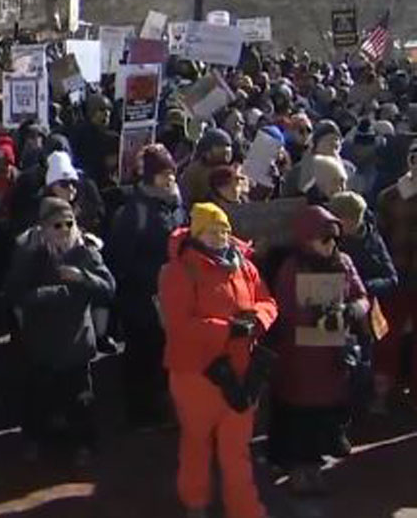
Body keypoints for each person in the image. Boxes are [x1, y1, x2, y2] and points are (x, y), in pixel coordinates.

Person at [159, 203, 277, 518]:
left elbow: (267, 300)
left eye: (225, 229)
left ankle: (246, 511)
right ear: (197, 233)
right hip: (197, 375)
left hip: (240, 371)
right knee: (197, 444)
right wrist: (230, 330)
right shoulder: (179, 270)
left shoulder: (243, 264)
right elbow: (179, 324)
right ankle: (196, 503)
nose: (221, 236)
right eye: (213, 230)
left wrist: (259, 320)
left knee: (236, 452)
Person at [266, 205, 369, 494]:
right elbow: (284, 310)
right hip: (299, 357)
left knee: (324, 412)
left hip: (332, 355)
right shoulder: (292, 267)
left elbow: (362, 296)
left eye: (335, 238)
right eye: (325, 239)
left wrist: (352, 310)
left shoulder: (344, 263)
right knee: (299, 414)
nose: (332, 244)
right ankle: (299, 468)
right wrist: (318, 314)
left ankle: (315, 461)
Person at [5, 197, 114, 464]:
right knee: (38, 399)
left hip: (76, 343)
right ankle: (36, 441)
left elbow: (109, 287)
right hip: (41, 343)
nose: (65, 230)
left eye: (69, 223)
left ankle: (84, 445)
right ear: (43, 228)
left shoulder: (86, 252)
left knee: (81, 401)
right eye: (57, 225)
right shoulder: (30, 255)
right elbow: (14, 294)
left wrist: (82, 277)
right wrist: (56, 293)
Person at [105, 144, 185, 428]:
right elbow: (119, 257)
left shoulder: (176, 204)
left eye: (172, 173)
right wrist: (146, 280)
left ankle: (162, 407)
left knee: (165, 355)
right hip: (142, 298)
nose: (170, 179)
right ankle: (140, 414)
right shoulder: (134, 212)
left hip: (172, 295)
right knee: (142, 355)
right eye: (164, 174)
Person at [328, 191, 397, 414]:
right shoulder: (327, 239)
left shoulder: (372, 240)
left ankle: (358, 409)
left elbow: (391, 277)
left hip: (363, 315)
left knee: (362, 363)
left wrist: (363, 288)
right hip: (333, 310)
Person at [373, 137, 417, 410]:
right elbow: (380, 239)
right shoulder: (390, 196)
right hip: (398, 276)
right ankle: (381, 393)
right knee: (388, 338)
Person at [179, 128, 235, 208]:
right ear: (207, 150)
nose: (226, 150)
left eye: (228, 146)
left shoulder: (232, 170)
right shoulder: (195, 172)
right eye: (220, 146)